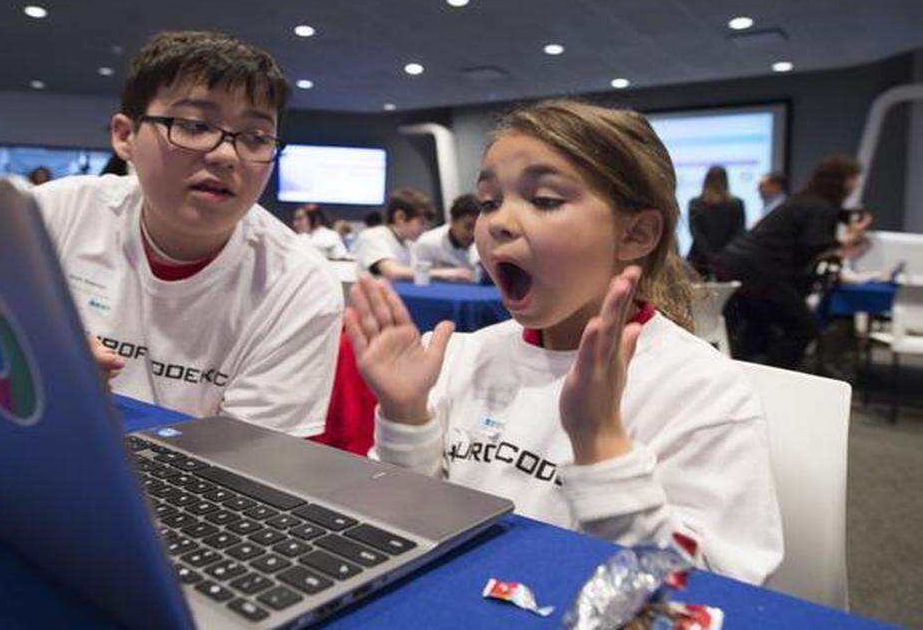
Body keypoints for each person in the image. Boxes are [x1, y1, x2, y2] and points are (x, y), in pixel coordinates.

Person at [345, 99, 783, 584]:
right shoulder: (463, 358)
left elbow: (710, 596)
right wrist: (406, 418)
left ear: (636, 233)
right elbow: (407, 526)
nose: (497, 223)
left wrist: (603, 449)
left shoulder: (701, 388)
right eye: (489, 203)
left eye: (545, 200)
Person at [32, 31, 343, 437]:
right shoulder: (54, 214)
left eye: (255, 137)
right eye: (195, 125)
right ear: (125, 136)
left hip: (193, 482)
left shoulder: (298, 285)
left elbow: (249, 462)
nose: (226, 155)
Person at [717, 155, 871, 369]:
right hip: (761, 270)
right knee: (803, 328)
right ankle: (773, 384)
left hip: (738, 265)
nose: (856, 185)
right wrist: (845, 240)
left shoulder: (806, 200)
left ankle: (742, 379)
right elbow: (813, 244)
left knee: (758, 329)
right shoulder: (820, 207)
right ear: (844, 180)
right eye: (854, 179)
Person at [355, 187, 473, 282]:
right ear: (400, 217)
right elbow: (392, 273)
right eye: (421, 223)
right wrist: (446, 273)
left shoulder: (408, 244)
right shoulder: (373, 236)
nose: (425, 229)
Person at [686, 166, 744, 278]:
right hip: (728, 258)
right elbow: (738, 232)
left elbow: (695, 233)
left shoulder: (695, 203)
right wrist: (722, 254)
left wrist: (709, 254)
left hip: (699, 258)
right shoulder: (737, 204)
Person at [413, 193, 481, 275]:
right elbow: (419, 277)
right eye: (468, 226)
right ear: (452, 221)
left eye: (478, 228)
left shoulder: (484, 243)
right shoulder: (428, 243)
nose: (472, 234)